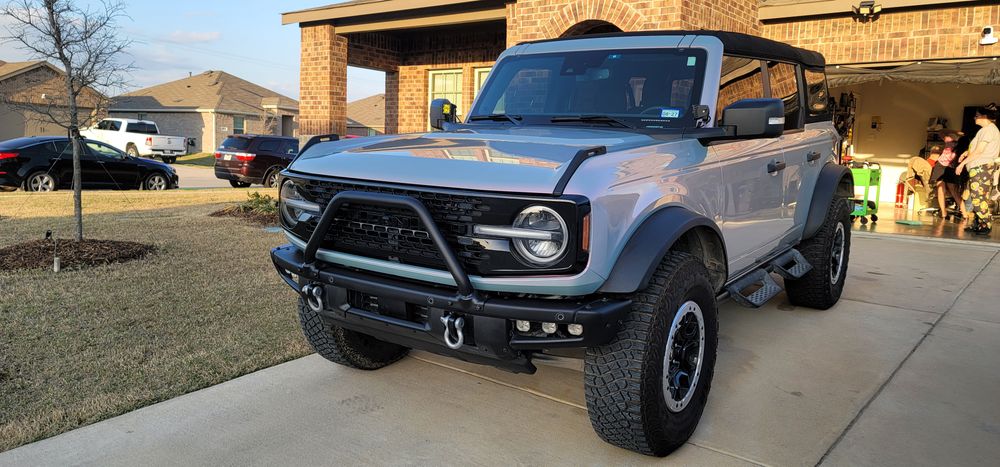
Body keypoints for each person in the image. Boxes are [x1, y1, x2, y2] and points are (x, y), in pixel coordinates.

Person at [956, 104, 1000, 235]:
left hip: (982, 168)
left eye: (977, 115)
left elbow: (980, 151)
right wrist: (966, 152)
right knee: (978, 196)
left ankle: (986, 224)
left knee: (978, 197)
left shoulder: (989, 130)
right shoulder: (985, 130)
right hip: (979, 168)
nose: (974, 118)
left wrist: (962, 164)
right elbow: (976, 148)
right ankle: (979, 224)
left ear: (984, 116)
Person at [929, 133, 966, 219]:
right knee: (940, 187)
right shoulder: (949, 139)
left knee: (953, 190)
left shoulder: (963, 146)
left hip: (950, 168)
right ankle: (943, 213)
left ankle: (965, 213)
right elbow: (942, 132)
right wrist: (955, 132)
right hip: (940, 165)